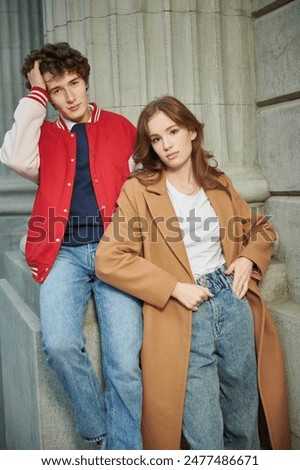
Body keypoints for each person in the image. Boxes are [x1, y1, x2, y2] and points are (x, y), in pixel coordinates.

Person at [95, 95, 291, 450]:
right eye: (156, 138)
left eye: (172, 131)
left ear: (191, 132)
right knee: (203, 434)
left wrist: (247, 258)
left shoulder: (217, 183)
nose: (167, 144)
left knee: (243, 424)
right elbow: (109, 258)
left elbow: (261, 229)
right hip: (184, 313)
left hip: (231, 301)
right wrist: (172, 287)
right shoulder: (138, 191)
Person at [0, 42, 143, 450]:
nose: (70, 95)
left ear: (85, 80)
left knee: (124, 365)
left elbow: (145, 185)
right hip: (62, 253)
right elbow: (11, 156)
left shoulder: (119, 127)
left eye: (74, 83)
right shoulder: (42, 135)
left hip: (115, 252)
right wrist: (35, 98)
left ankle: (126, 454)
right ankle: (96, 430)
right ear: (46, 95)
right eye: (56, 89)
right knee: (59, 343)